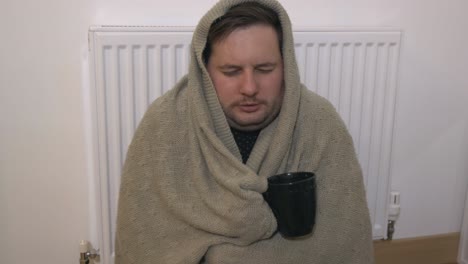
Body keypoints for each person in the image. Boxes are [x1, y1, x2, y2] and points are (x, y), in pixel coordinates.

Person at [115, 0, 374, 263]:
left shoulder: (320, 124)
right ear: (204, 72)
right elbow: (143, 243)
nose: (249, 87)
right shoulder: (164, 126)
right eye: (231, 71)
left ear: (286, 67)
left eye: (265, 69)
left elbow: (342, 241)